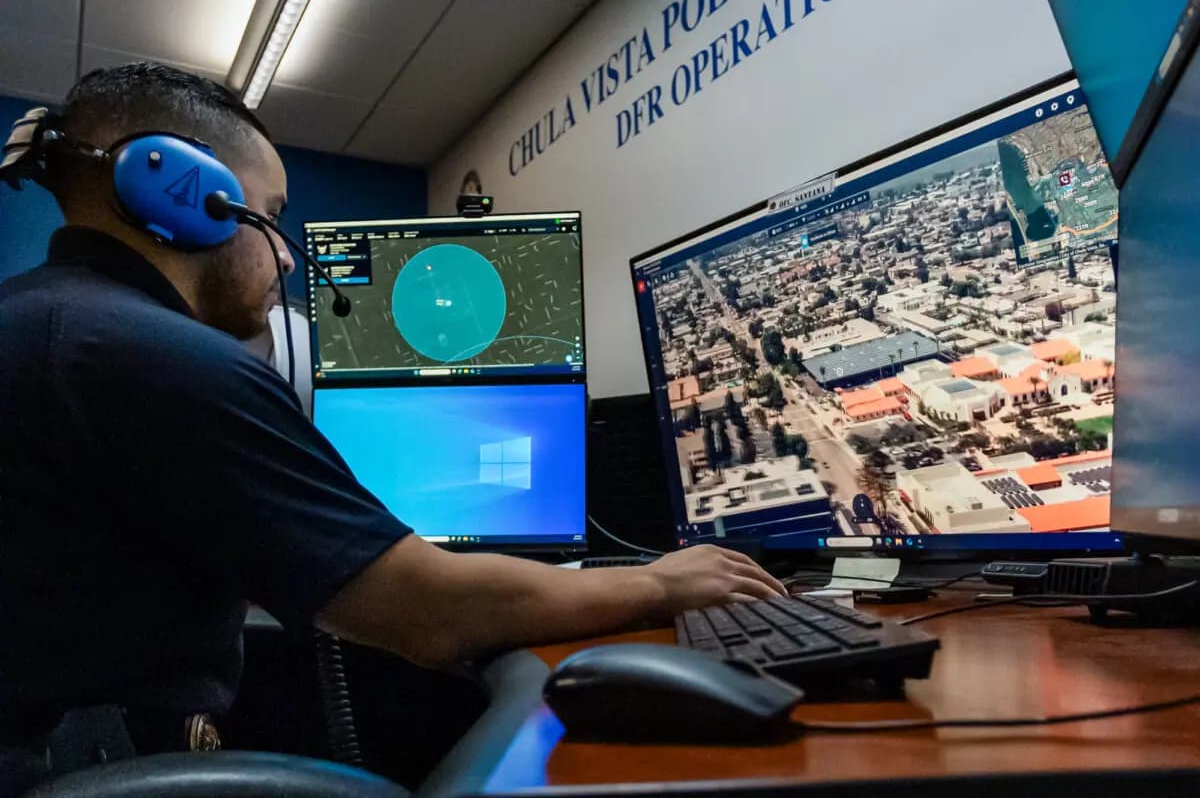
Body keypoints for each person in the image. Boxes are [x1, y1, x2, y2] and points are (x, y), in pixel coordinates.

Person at [0, 63, 785, 790]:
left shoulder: (45, 326)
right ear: (186, 193)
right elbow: (429, 614)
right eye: (270, 216)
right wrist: (658, 582)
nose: (286, 259)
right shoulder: (154, 358)